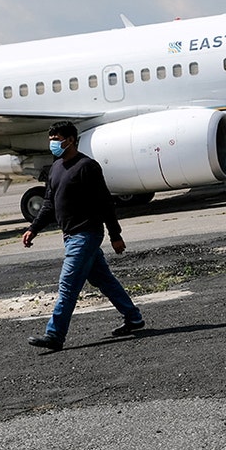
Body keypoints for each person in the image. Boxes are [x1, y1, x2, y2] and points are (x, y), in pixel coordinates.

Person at [22, 121, 145, 350]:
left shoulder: (87, 167)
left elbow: (105, 202)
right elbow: (49, 203)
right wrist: (33, 228)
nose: (52, 144)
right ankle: (134, 318)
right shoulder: (56, 166)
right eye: (50, 140)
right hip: (70, 235)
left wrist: (115, 234)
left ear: (70, 139)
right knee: (103, 280)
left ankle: (54, 335)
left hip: (86, 234)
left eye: (56, 139)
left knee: (68, 285)